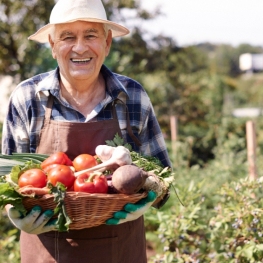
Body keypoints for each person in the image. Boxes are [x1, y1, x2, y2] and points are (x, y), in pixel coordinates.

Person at [2, 0, 171, 262]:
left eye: (90, 35)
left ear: (107, 43)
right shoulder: (27, 97)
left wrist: (148, 198)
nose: (80, 47)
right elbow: (7, 181)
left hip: (121, 251)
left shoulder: (133, 97)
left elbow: (163, 176)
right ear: (53, 45)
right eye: (68, 36)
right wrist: (14, 213)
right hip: (46, 251)